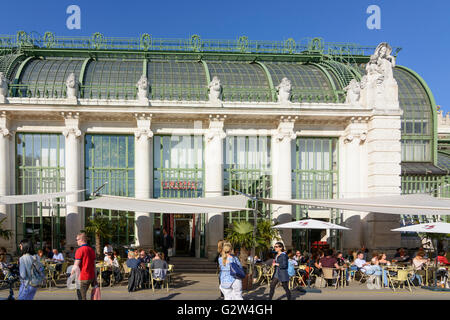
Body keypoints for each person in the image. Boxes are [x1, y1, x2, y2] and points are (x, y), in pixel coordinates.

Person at [70, 232, 96, 300]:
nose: (76, 241)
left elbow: (76, 265)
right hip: (91, 276)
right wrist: (95, 278)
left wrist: (71, 274)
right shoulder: (91, 250)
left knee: (81, 296)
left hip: (83, 277)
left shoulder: (80, 250)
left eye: (77, 239)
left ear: (81, 239)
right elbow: (94, 266)